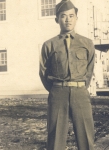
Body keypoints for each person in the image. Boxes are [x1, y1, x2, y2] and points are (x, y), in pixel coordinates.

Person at [39, 0, 95, 149]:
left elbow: (89, 69)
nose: (68, 19)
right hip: (58, 93)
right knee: (55, 137)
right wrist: (55, 89)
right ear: (57, 19)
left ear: (76, 18)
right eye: (63, 16)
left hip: (80, 93)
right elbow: (43, 71)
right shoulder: (49, 45)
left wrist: (81, 87)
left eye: (71, 16)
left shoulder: (87, 43)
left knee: (86, 137)